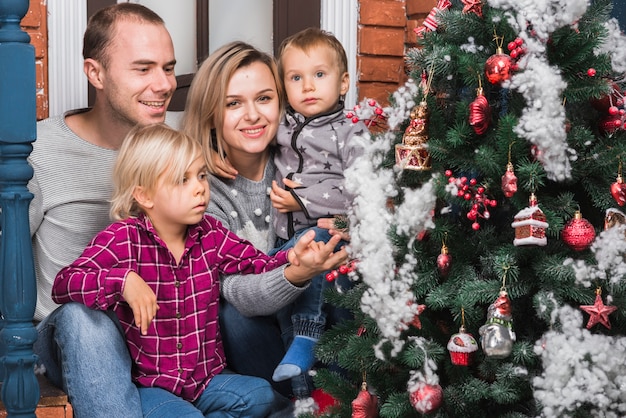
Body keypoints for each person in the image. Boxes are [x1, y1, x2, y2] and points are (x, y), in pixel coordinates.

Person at [51, 123, 344, 417]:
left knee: (262, 395)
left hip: (207, 382)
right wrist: (123, 281)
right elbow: (66, 283)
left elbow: (257, 263)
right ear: (145, 196)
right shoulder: (122, 239)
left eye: (201, 175)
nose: (200, 188)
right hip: (153, 387)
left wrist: (295, 258)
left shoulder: (210, 234)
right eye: (183, 180)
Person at [182, 41, 352, 404]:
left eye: (264, 98)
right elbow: (233, 293)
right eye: (233, 103)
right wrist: (295, 272)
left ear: (283, 101)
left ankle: (335, 398)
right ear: (211, 113)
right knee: (232, 315)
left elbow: (362, 212)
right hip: (259, 345)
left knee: (341, 278)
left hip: (331, 323)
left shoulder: (304, 160)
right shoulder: (200, 190)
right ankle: (285, 404)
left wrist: (337, 226)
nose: (253, 115)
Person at [29, 4, 179, 417]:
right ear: (95, 73)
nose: (164, 83)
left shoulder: (177, 149)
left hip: (155, 343)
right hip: (71, 337)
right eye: (143, 68)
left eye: (168, 67)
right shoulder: (38, 152)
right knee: (82, 320)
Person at [268, 27, 368, 382]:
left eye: (319, 75)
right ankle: (300, 392)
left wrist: (302, 199)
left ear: (343, 83)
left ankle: (312, 344)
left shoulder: (350, 130)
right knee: (284, 315)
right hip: (285, 244)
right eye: (296, 78)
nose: (307, 86)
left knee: (334, 325)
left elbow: (361, 188)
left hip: (331, 241)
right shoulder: (280, 126)